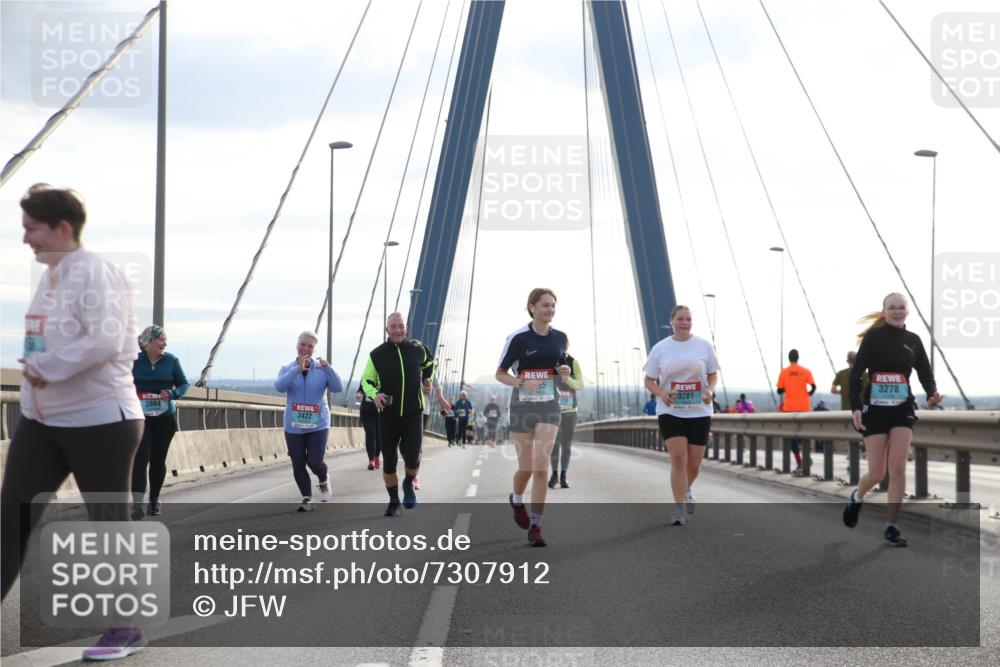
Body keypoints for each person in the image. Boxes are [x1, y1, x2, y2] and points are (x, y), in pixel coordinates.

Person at [3, 184, 146, 660]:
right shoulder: (52, 274)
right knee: (10, 518)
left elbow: (104, 343)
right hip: (42, 421)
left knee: (108, 524)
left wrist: (46, 368)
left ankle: (125, 628)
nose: (26, 239)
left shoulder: (96, 273)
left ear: (62, 227)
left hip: (101, 419)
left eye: (32, 229)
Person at [843, 292, 940, 547]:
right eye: (892, 307)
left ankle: (891, 526)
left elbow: (925, 373)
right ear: (884, 311)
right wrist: (855, 407)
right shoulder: (873, 338)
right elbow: (856, 374)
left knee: (897, 467)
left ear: (907, 311)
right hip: (874, 409)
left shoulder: (913, 340)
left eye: (901, 307)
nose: (897, 311)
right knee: (877, 473)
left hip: (902, 408)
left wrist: (932, 393)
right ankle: (857, 497)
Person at [496, 288, 570, 546]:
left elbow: (561, 370)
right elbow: (500, 373)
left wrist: (563, 370)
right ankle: (517, 500)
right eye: (545, 305)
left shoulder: (560, 337)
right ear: (532, 307)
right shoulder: (517, 338)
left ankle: (536, 526)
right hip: (522, 407)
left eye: (553, 306)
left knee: (540, 466)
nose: (550, 310)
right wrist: (519, 382)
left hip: (549, 406)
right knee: (526, 468)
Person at [643, 305, 719, 526]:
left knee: (694, 465)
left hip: (699, 411)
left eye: (688, 319)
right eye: (680, 319)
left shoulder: (704, 346)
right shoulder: (661, 348)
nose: (685, 323)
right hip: (670, 410)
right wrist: (661, 393)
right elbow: (649, 380)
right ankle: (678, 509)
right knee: (678, 458)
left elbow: (713, 374)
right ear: (672, 321)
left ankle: (686, 488)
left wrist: (710, 391)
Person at [360, 313, 435, 517]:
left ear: (406, 328)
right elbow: (366, 380)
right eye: (393, 326)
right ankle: (393, 501)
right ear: (387, 330)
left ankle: (408, 483)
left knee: (413, 458)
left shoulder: (418, 349)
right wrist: (374, 395)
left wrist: (427, 380)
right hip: (388, 416)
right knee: (390, 460)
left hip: (413, 414)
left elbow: (430, 364)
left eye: (400, 326)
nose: (397, 330)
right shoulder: (377, 354)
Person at [274, 331, 343, 512]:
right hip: (294, 425)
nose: (306, 348)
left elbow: (337, 387)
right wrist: (297, 369)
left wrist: (328, 367)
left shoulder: (321, 370)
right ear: (297, 345)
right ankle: (307, 497)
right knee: (298, 462)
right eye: (303, 344)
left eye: (310, 346)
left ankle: (323, 477)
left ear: (314, 349)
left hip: (318, 424)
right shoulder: (287, 368)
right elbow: (279, 386)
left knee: (314, 461)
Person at [130, 325, 189, 519]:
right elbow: (121, 383)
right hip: (140, 418)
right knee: (141, 457)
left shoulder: (171, 361)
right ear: (148, 343)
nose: (165, 343)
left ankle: (154, 500)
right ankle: (137, 503)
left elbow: (183, 384)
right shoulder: (134, 361)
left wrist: (172, 393)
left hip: (164, 419)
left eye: (165, 340)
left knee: (157, 459)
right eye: (161, 340)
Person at [776, 349, 816, 475]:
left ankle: (800, 462)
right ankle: (806, 457)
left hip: (789, 408)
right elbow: (813, 386)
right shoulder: (805, 371)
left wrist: (786, 388)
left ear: (789, 358)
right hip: (804, 407)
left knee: (793, 437)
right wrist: (808, 394)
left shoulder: (784, 372)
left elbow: (779, 391)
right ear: (798, 358)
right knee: (804, 435)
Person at [550, 344, 584, 489]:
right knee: (553, 446)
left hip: (570, 410)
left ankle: (564, 475)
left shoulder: (573, 362)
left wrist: (567, 379)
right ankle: (554, 475)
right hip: (552, 411)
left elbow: (580, 385)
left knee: (566, 445)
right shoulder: (547, 361)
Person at [357, 389, 381, 470]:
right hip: (367, 410)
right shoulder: (366, 376)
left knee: (378, 435)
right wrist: (359, 394)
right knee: (370, 434)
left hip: (380, 410)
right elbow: (360, 389)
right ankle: (371, 460)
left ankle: (377, 456)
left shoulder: (384, 376)